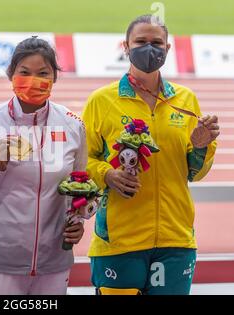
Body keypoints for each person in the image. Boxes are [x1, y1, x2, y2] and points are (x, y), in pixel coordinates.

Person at [82, 15, 220, 295]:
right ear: (126, 46)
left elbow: (194, 172)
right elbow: (80, 161)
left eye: (157, 43)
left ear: (168, 49)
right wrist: (106, 174)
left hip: (175, 240)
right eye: (141, 42)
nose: (149, 48)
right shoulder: (102, 101)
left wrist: (202, 146)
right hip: (119, 241)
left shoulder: (185, 100)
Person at [0, 37, 90, 295]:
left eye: (42, 73)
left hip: (54, 263)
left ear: (54, 77)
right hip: (0, 263)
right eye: (24, 72)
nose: (33, 80)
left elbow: (82, 188)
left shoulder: (72, 124)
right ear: (11, 74)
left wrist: (81, 217)